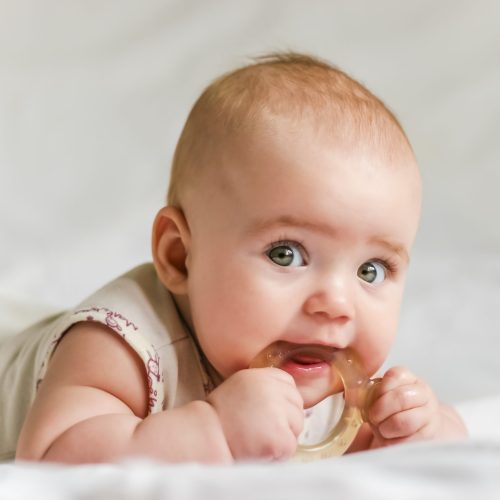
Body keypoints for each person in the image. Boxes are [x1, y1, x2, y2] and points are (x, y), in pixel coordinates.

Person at [3, 52, 466, 464]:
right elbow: (50, 456)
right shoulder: (120, 346)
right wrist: (215, 428)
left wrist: (420, 430)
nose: (337, 304)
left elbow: (446, 445)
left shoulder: (324, 369)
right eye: (286, 254)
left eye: (371, 270)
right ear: (181, 256)